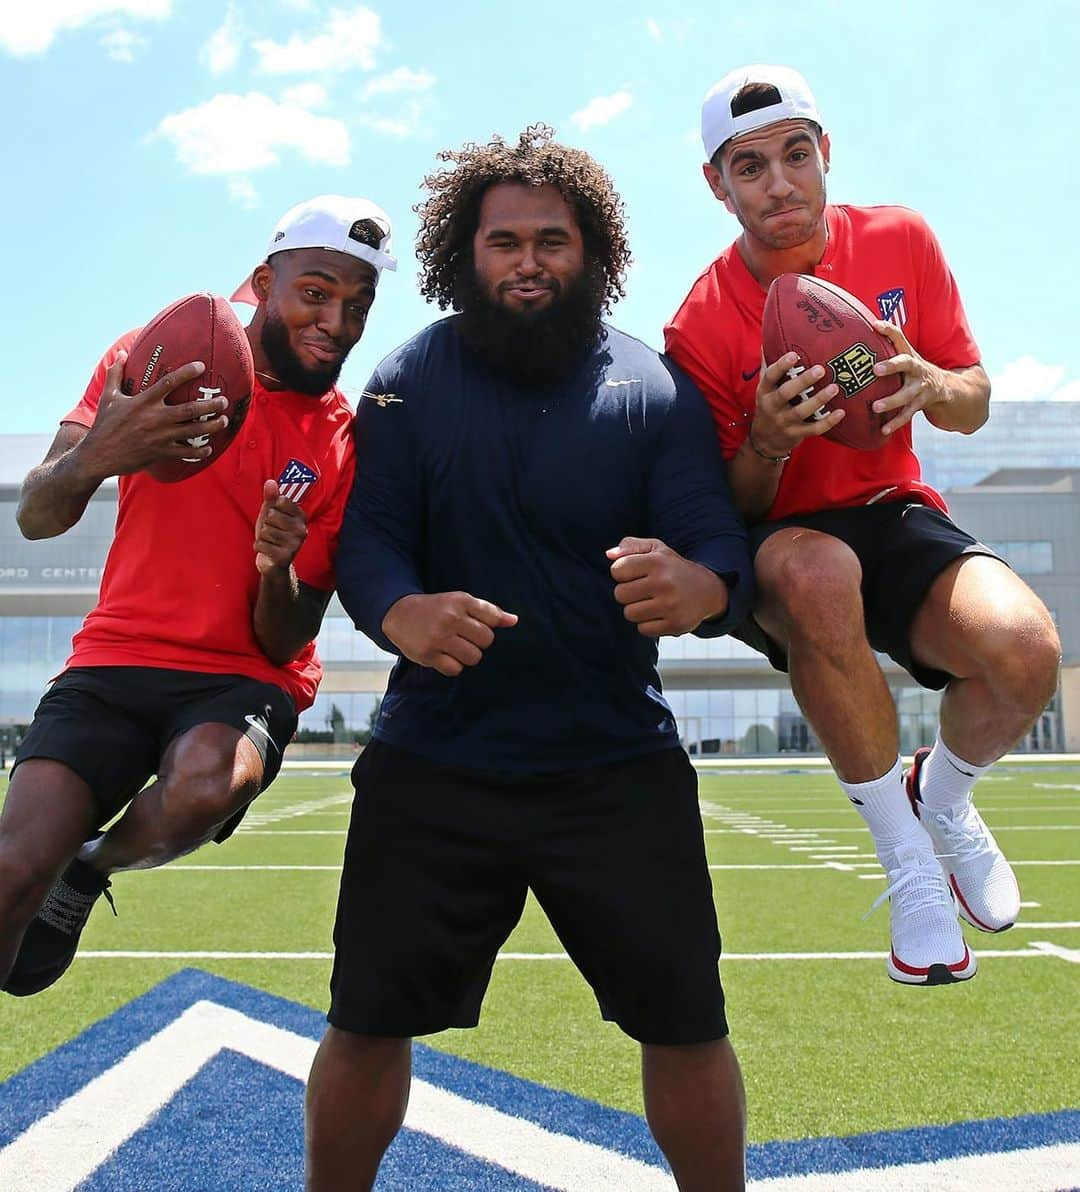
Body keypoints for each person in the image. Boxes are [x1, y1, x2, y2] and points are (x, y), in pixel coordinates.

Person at [304, 127, 753, 1191]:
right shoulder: (406, 379)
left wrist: (700, 586)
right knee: (365, 1019)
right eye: (504, 242)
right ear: (466, 254)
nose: (529, 261)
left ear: (593, 251)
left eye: (553, 240)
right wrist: (398, 609)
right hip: (436, 757)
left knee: (687, 1021)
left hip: (615, 761)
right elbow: (368, 540)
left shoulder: (652, 386)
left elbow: (716, 536)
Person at [664, 65, 1061, 986]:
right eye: (750, 167)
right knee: (815, 576)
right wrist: (764, 442)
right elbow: (726, 512)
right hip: (789, 538)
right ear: (717, 187)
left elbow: (974, 401)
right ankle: (909, 862)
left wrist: (933, 380)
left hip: (895, 513)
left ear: (825, 153)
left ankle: (944, 797)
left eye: (795, 156)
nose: (780, 185)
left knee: (1026, 653)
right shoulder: (700, 325)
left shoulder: (902, 239)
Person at [0, 194, 396, 997]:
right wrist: (97, 455)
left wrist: (274, 565)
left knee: (205, 788)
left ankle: (90, 867)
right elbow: (40, 516)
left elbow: (287, 641)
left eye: (359, 305)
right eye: (315, 292)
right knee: (9, 871)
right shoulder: (160, 361)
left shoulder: (343, 439)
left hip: (242, 677)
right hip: (116, 657)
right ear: (263, 279)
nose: (336, 321)